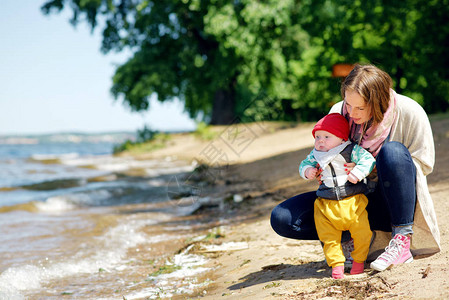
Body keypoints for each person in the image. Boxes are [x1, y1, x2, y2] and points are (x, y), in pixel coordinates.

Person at [270, 63, 440, 273]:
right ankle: (348, 238)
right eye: (349, 105)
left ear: (379, 101)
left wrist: (371, 168)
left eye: (360, 108)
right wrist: (323, 169)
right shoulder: (339, 112)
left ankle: (401, 240)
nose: (351, 113)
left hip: (392, 203)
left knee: (393, 152)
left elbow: (424, 164)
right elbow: (323, 151)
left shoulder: (409, 111)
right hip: (347, 201)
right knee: (283, 218)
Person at [299, 113, 376, 278]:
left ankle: (359, 261)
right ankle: (336, 264)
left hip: (352, 202)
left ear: (341, 138)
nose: (320, 140)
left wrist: (358, 172)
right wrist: (308, 171)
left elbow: (368, 160)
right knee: (328, 237)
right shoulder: (315, 155)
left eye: (327, 136)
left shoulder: (350, 150)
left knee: (362, 233)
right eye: (317, 136)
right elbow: (304, 164)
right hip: (326, 204)